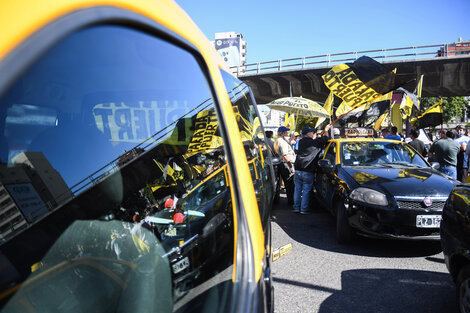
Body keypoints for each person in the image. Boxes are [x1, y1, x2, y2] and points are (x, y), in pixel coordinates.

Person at [293, 124, 331, 213]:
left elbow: (318, 140)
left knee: (297, 190)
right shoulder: (315, 143)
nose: (313, 133)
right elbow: (326, 139)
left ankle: (296, 207)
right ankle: (303, 209)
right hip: (307, 171)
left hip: (298, 170)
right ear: (307, 134)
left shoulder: (301, 142)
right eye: (311, 132)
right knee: (306, 191)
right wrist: (326, 130)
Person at [275, 126, 296, 205]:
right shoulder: (282, 142)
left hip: (283, 163)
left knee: (289, 184)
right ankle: (291, 202)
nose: (287, 133)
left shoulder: (278, 140)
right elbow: (285, 155)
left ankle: (291, 201)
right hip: (286, 164)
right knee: (290, 184)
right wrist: (290, 166)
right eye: (286, 131)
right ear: (283, 133)